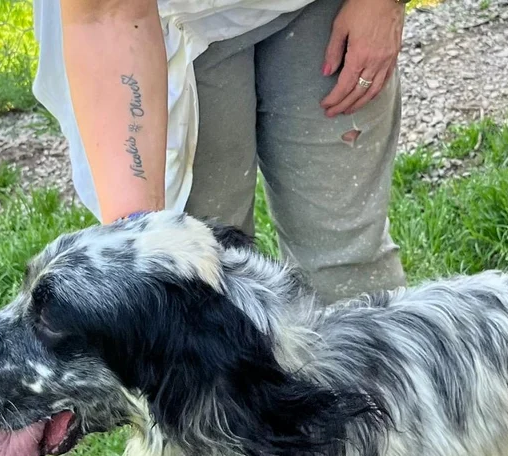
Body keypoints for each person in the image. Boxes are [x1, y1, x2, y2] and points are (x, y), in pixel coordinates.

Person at [32, 0, 407, 303]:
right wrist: (138, 242)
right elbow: (104, 12)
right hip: (164, 23)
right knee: (197, 280)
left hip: (327, 7)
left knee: (352, 273)